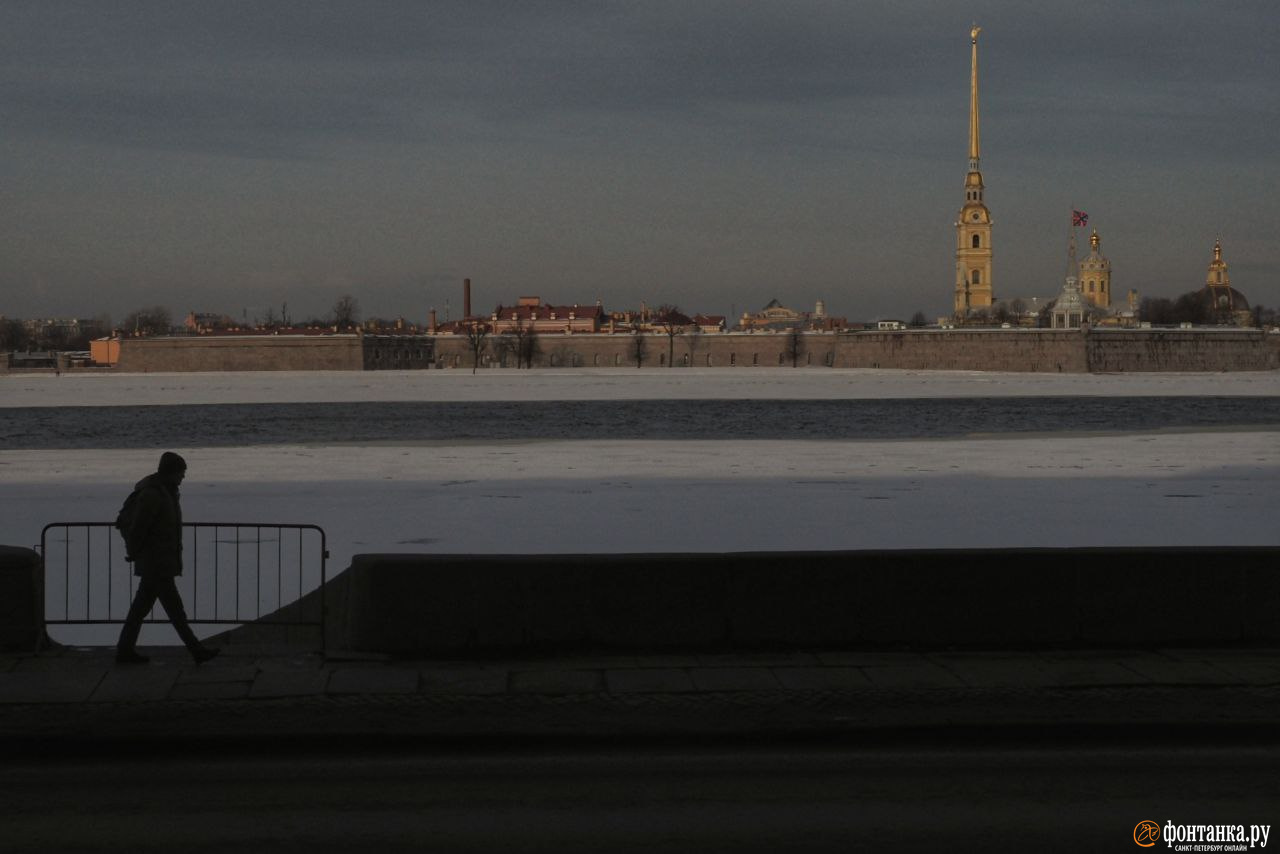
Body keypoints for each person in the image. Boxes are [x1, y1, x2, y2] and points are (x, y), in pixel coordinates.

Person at [115, 452, 219, 665]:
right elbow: (140, 528)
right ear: (171, 472)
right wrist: (134, 552)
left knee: (142, 609)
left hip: (158, 560)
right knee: (174, 610)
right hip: (156, 562)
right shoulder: (154, 495)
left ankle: (124, 650)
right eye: (181, 472)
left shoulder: (166, 492)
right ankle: (196, 650)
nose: (183, 477)